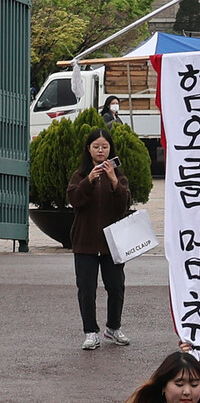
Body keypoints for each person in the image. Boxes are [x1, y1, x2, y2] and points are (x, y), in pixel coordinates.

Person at [67, 128, 132, 350]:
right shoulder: (79, 175)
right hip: (84, 242)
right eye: (96, 147)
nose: (101, 151)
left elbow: (123, 205)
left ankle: (113, 328)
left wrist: (114, 181)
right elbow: (75, 200)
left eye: (105, 147)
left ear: (110, 149)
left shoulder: (119, 175)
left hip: (112, 243)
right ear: (89, 149)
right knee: (86, 288)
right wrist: (89, 180)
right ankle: (90, 332)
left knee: (116, 286)